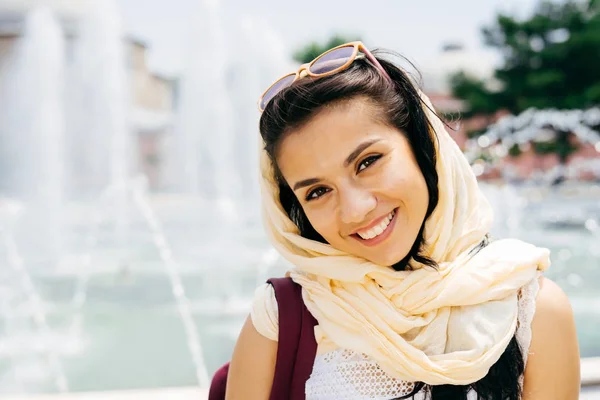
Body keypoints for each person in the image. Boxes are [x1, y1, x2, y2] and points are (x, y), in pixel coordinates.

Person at [225, 42, 580, 399]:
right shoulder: (279, 320)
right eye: (317, 192)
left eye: (367, 162)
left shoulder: (530, 310)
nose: (354, 210)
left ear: (424, 145)